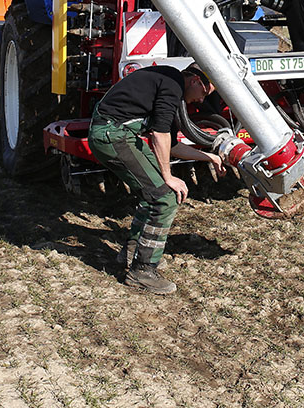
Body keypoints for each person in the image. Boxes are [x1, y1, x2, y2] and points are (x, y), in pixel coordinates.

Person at [88, 64, 225, 295]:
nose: (201, 101)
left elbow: (170, 144)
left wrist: (209, 157)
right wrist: (168, 176)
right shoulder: (171, 84)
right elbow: (159, 135)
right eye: (204, 93)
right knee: (164, 198)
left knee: (155, 195)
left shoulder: (169, 84)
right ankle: (142, 271)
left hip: (116, 132)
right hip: (113, 134)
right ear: (194, 81)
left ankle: (132, 253)